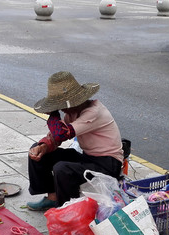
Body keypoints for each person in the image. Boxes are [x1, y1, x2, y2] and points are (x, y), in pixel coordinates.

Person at [27, 71, 124, 211]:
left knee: (62, 169)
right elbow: (55, 138)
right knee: (38, 150)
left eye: (60, 105)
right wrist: (43, 147)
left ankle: (67, 209)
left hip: (107, 164)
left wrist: (53, 114)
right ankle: (52, 198)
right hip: (88, 158)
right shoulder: (71, 113)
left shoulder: (94, 112)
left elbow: (62, 134)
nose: (61, 109)